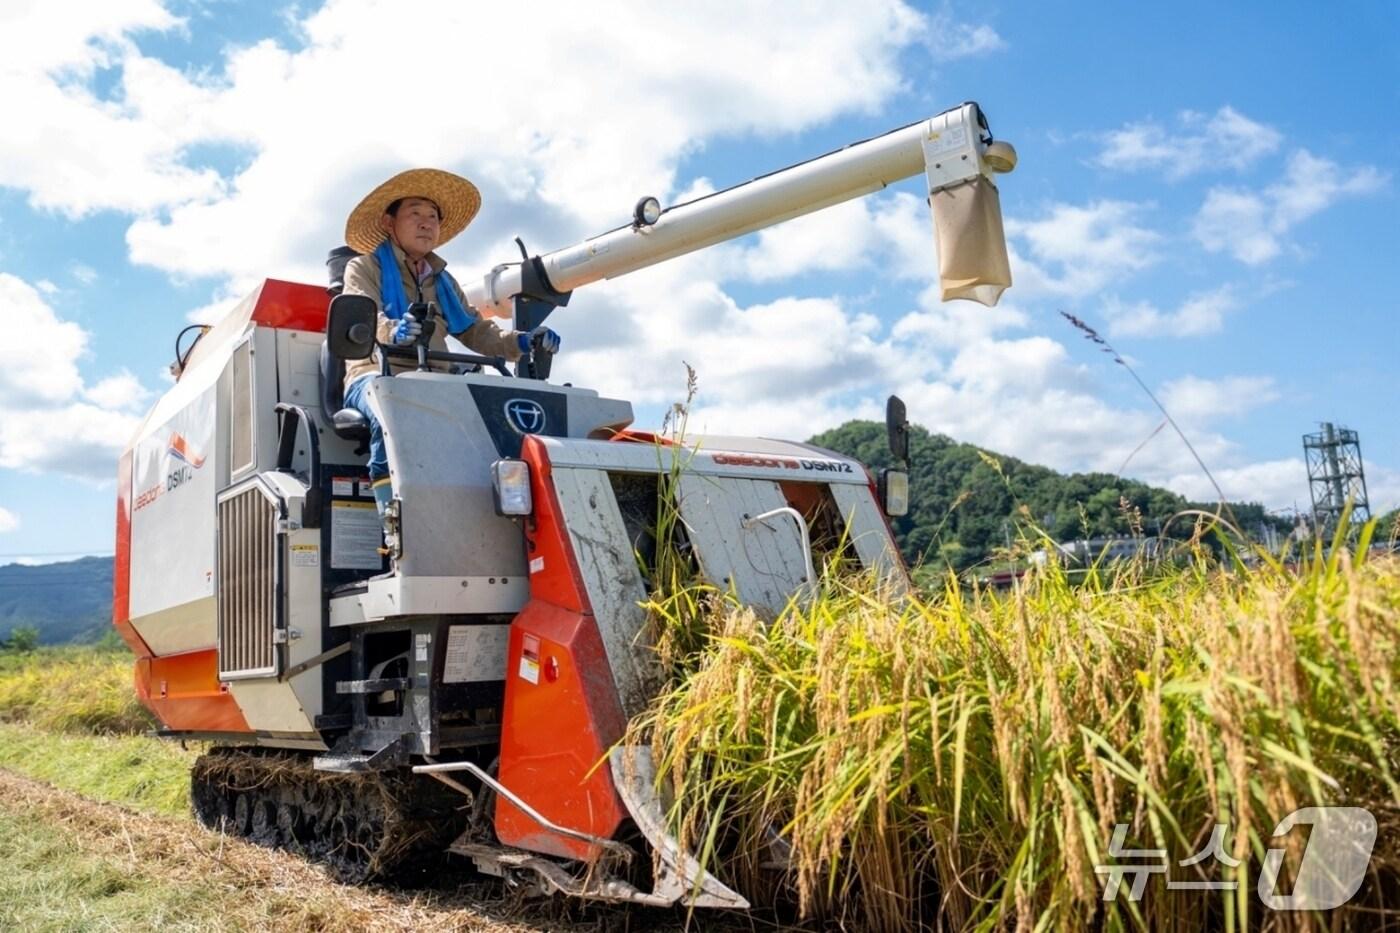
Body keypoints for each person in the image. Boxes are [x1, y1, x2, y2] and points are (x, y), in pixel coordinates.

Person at [339, 168, 560, 518]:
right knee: (391, 412)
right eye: (415, 213)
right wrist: (392, 332)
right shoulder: (363, 268)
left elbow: (476, 331)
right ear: (388, 221)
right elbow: (364, 320)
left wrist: (522, 341)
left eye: (433, 217)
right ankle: (394, 525)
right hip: (373, 376)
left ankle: (461, 518)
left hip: (432, 381)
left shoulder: (442, 280)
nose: (426, 223)